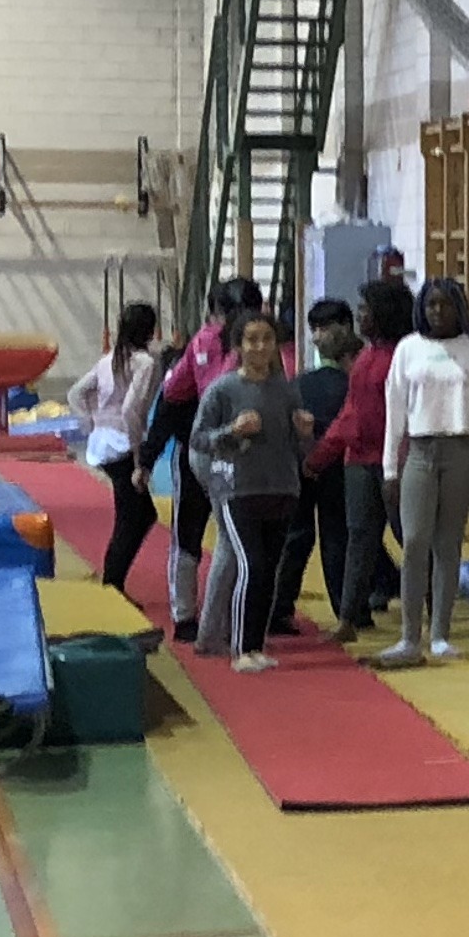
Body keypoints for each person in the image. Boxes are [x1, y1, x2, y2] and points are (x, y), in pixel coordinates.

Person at [379, 274, 469, 668]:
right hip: (419, 450)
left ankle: (441, 635)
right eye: (431, 304)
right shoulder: (408, 349)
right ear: (422, 308)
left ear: (458, 308)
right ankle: (408, 636)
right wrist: (390, 469)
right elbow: (394, 412)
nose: (437, 311)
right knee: (414, 540)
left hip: (462, 451)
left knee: (447, 545)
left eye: (445, 304)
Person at [187, 308, 315, 672]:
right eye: (252, 340)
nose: (260, 347)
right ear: (238, 346)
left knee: (269, 569)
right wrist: (232, 431)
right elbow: (198, 439)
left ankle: (256, 645)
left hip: (282, 487)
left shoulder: (286, 389)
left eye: (267, 340)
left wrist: (305, 433)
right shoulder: (223, 389)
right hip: (237, 489)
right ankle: (241, 648)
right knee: (251, 564)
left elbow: (299, 446)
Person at [141, 278, 261, 634]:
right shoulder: (214, 343)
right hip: (215, 451)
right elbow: (173, 396)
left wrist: (148, 456)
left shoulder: (217, 343)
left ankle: (202, 615)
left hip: (216, 450)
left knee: (213, 535)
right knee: (217, 535)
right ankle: (207, 616)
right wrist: (149, 455)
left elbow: (172, 395)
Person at [313, 279, 406, 639]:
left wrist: (398, 464)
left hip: (393, 461)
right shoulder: (365, 357)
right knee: (359, 538)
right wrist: (321, 455)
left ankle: (430, 616)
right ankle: (348, 619)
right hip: (359, 460)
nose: (360, 316)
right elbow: (350, 415)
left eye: (366, 310)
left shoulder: (402, 356)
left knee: (408, 537)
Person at [266, 300, 359, 632]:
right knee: (332, 535)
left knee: (308, 536)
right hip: (322, 464)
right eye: (314, 329)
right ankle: (348, 610)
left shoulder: (306, 382)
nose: (318, 336)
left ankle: (283, 608)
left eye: (324, 328)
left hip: (311, 463)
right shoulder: (321, 382)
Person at [67, 302, 164, 596]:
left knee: (137, 515)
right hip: (123, 444)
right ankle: (112, 583)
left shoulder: (109, 360)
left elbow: (75, 393)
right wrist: (138, 454)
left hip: (102, 442)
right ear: (150, 331)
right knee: (133, 517)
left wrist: (91, 423)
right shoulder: (145, 363)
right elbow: (131, 409)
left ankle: (114, 580)